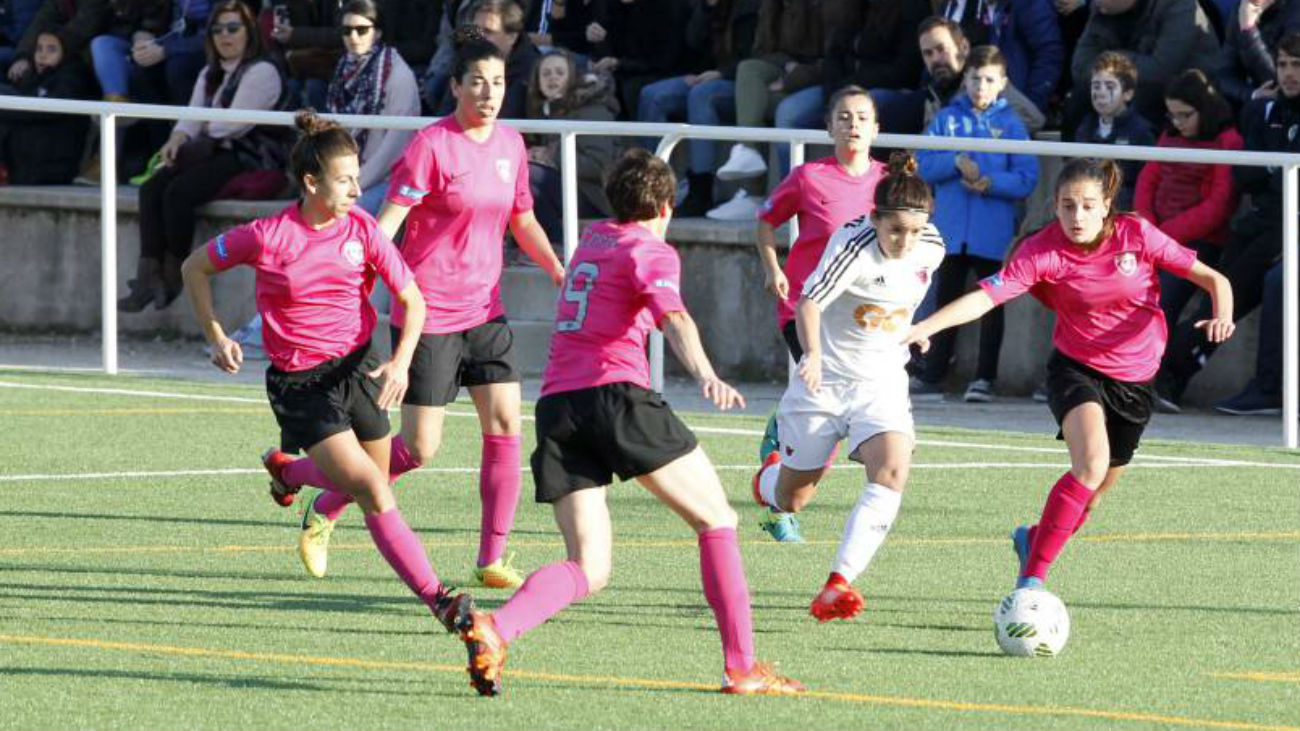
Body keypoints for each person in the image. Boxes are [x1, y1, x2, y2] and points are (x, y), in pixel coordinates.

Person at [456, 149, 806, 698]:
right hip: (615, 397)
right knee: (717, 520)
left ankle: (497, 628)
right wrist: (708, 374)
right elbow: (675, 318)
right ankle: (742, 667)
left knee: (588, 567)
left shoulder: (594, 240)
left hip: (557, 407)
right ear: (666, 206)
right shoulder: (652, 248)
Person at [270, 26, 565, 589]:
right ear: (455, 86)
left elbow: (521, 219)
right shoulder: (431, 147)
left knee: (505, 427)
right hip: (428, 316)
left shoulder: (510, 145)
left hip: (486, 312)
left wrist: (557, 269)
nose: (488, 92)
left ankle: (491, 559)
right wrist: (352, 272)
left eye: (498, 82)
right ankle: (316, 493)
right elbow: (388, 227)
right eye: (477, 82)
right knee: (418, 449)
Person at [179, 111, 475, 644]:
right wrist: (216, 335)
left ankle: (289, 475)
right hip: (301, 386)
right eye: (345, 180)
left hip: (358, 369)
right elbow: (193, 267)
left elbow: (412, 299)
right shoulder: (267, 236)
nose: (358, 189)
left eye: (359, 177)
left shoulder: (362, 229)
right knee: (371, 489)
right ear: (312, 183)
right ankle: (440, 599)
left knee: (373, 484)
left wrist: (402, 360)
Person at [903, 158, 1235, 591]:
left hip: (1136, 382)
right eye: (1066, 206)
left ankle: (1033, 541)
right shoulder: (1043, 249)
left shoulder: (1137, 233)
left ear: (1106, 206)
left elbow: (1213, 278)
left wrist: (1222, 316)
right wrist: (924, 326)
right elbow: (987, 296)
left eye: (1087, 205)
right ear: (1055, 206)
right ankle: (1031, 583)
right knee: (1089, 466)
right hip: (1076, 370)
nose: (1076, 216)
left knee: (1090, 499)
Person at [751, 153, 945, 622]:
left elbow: (901, 299)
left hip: (881, 382)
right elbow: (810, 303)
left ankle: (838, 583)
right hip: (825, 383)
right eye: (895, 229)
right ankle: (767, 479)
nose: (905, 241)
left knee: (893, 471)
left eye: (914, 231)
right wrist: (813, 355)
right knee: (793, 499)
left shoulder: (932, 246)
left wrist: (918, 329)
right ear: (874, 218)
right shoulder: (852, 246)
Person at [752, 85, 885, 543]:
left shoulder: (887, 184)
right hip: (803, 308)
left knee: (841, 401)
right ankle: (778, 506)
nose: (853, 125)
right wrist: (774, 269)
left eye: (862, 117)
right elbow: (765, 222)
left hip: (857, 319)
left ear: (876, 128)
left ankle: (781, 435)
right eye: (844, 117)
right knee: (827, 398)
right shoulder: (809, 177)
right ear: (829, 127)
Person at [1155, 34, 1300, 412]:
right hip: (1263, 221)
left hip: (1289, 225)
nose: (1288, 73)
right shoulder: (1261, 111)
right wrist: (1274, 167)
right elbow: (1245, 178)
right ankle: (1168, 376)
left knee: (1264, 286)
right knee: (1221, 299)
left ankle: (1265, 387)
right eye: (1283, 64)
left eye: (1296, 65)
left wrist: (1271, 167)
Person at [117, 0, 287, 313]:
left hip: (249, 156)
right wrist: (177, 138)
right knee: (151, 188)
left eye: (233, 28)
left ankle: (174, 274)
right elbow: (192, 116)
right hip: (210, 149)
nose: (225, 35)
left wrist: (197, 128)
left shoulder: (263, 70)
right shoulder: (210, 71)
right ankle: (148, 277)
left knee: (178, 193)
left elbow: (233, 124)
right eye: (218, 29)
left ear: (248, 32)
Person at [912, 45, 1038, 403]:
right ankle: (932, 373)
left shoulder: (1012, 126)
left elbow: (1026, 177)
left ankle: (984, 378)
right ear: (965, 79)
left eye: (988, 79)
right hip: (950, 233)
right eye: (974, 78)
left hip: (991, 234)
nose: (980, 86)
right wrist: (954, 162)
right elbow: (922, 163)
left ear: (1002, 83)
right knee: (943, 301)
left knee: (990, 306)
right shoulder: (947, 120)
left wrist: (990, 182)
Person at [1135, 68, 1243, 329]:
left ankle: (1154, 367)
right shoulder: (1170, 134)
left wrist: (1164, 235)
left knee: (1162, 304)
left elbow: (1218, 206)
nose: (1178, 122)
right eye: (1172, 115)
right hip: (1155, 236)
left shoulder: (1227, 141)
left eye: (1185, 115)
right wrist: (1147, 226)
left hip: (1198, 242)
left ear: (1204, 109)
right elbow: (1148, 180)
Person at [326, 0, 420, 215]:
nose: (354, 37)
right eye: (346, 30)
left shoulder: (398, 74)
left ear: (377, 32)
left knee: (342, 217)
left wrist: (353, 182)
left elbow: (396, 147)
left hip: (389, 178)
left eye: (362, 30)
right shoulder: (344, 67)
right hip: (348, 176)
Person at [523, 47, 617, 245]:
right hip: (568, 190)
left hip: (595, 197)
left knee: (528, 174)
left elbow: (598, 166)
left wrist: (551, 156)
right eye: (546, 73)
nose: (552, 78)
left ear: (572, 77)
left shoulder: (592, 109)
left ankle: (554, 245)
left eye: (559, 72)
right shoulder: (546, 110)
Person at [0, 30, 94, 184]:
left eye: (51, 50)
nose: (42, 55)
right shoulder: (33, 77)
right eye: (39, 49)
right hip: (26, 165)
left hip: (50, 168)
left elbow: (43, 111)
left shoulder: (73, 77)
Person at [1075, 51, 1157, 209]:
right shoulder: (1086, 127)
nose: (1100, 92)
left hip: (1125, 212)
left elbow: (1147, 182)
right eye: (1096, 86)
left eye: (1109, 86)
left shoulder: (1142, 132)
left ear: (1128, 93)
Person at [1212, 0, 1300, 110]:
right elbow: (1224, 76)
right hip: (1255, 108)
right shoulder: (1241, 10)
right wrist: (1252, 94)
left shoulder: (1295, 10)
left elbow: (1282, 80)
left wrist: (1249, 31)